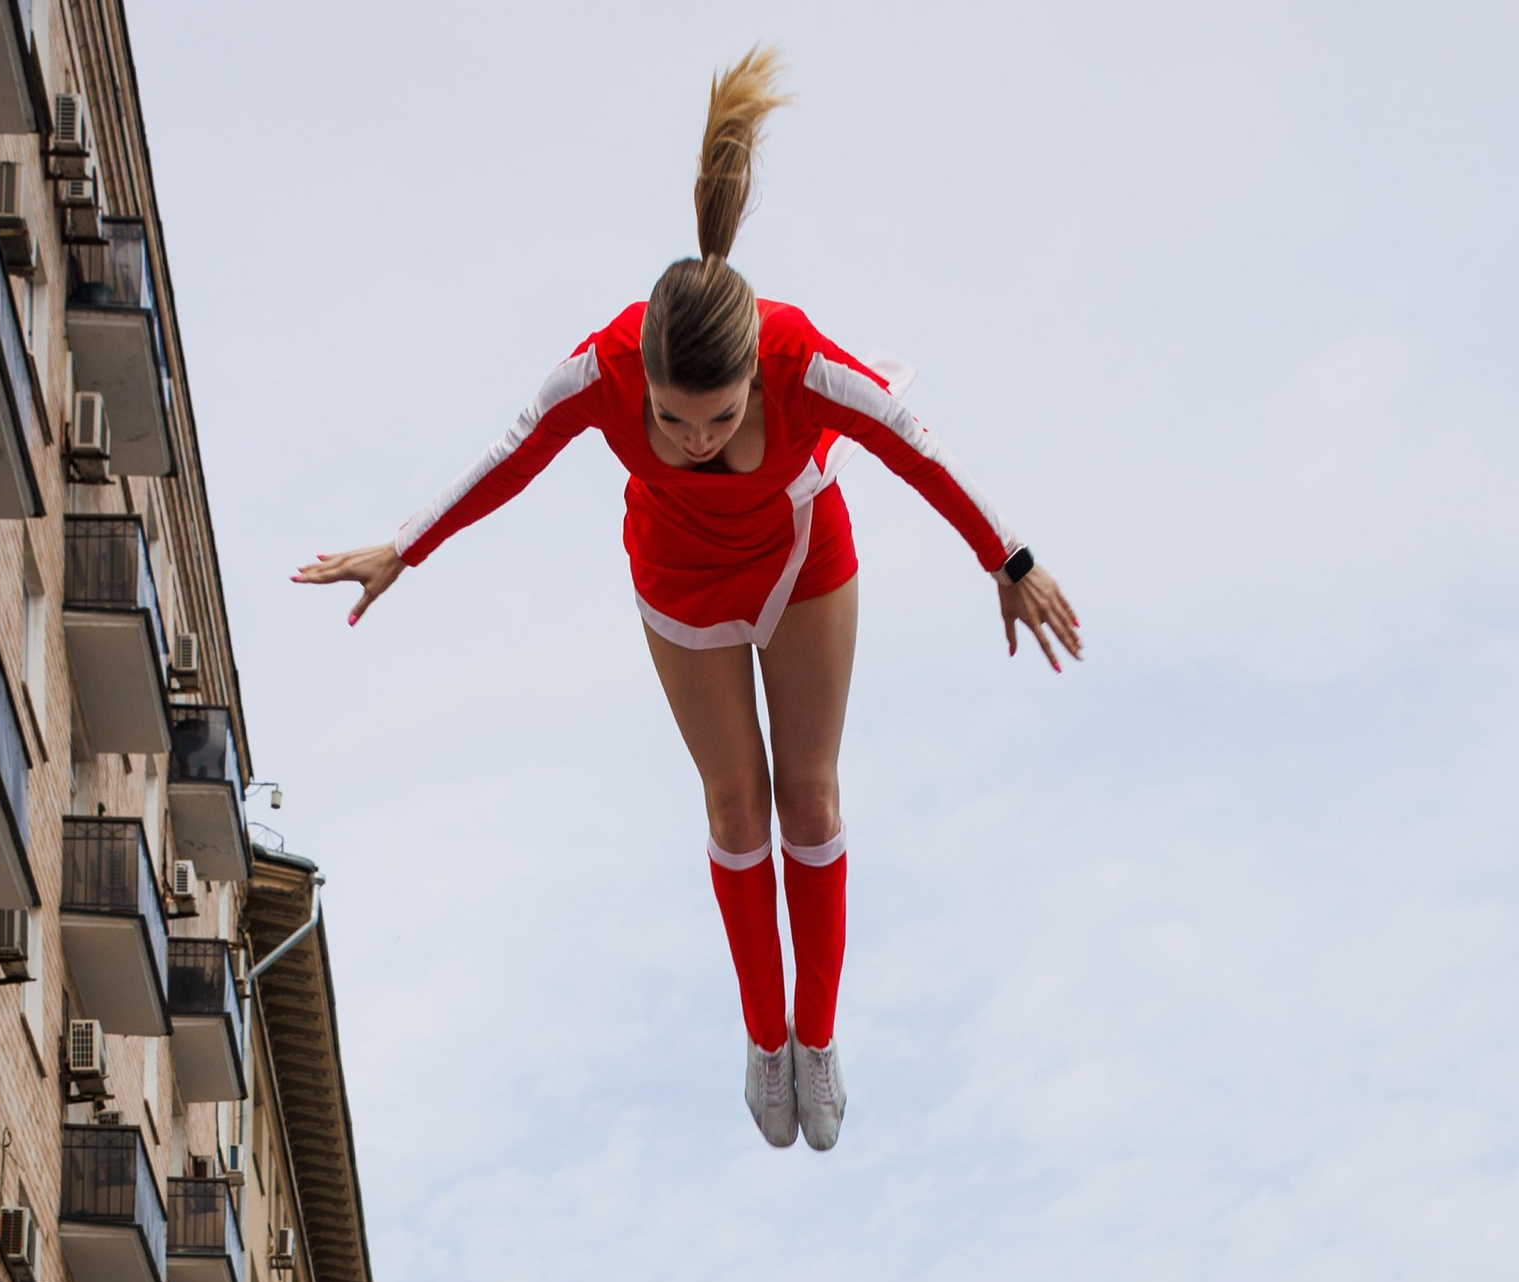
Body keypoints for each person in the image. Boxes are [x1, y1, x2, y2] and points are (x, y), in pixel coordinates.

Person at [299, 53, 1079, 1156]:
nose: (693, 440)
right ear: (647, 382)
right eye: (672, 421)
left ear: (754, 380)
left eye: (715, 420)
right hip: (679, 580)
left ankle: (819, 1033)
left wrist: (1008, 558)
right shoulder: (607, 368)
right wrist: (403, 549)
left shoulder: (800, 360)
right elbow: (508, 456)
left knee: (808, 799)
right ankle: (766, 1037)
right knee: (734, 807)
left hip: (803, 558)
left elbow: (915, 446)